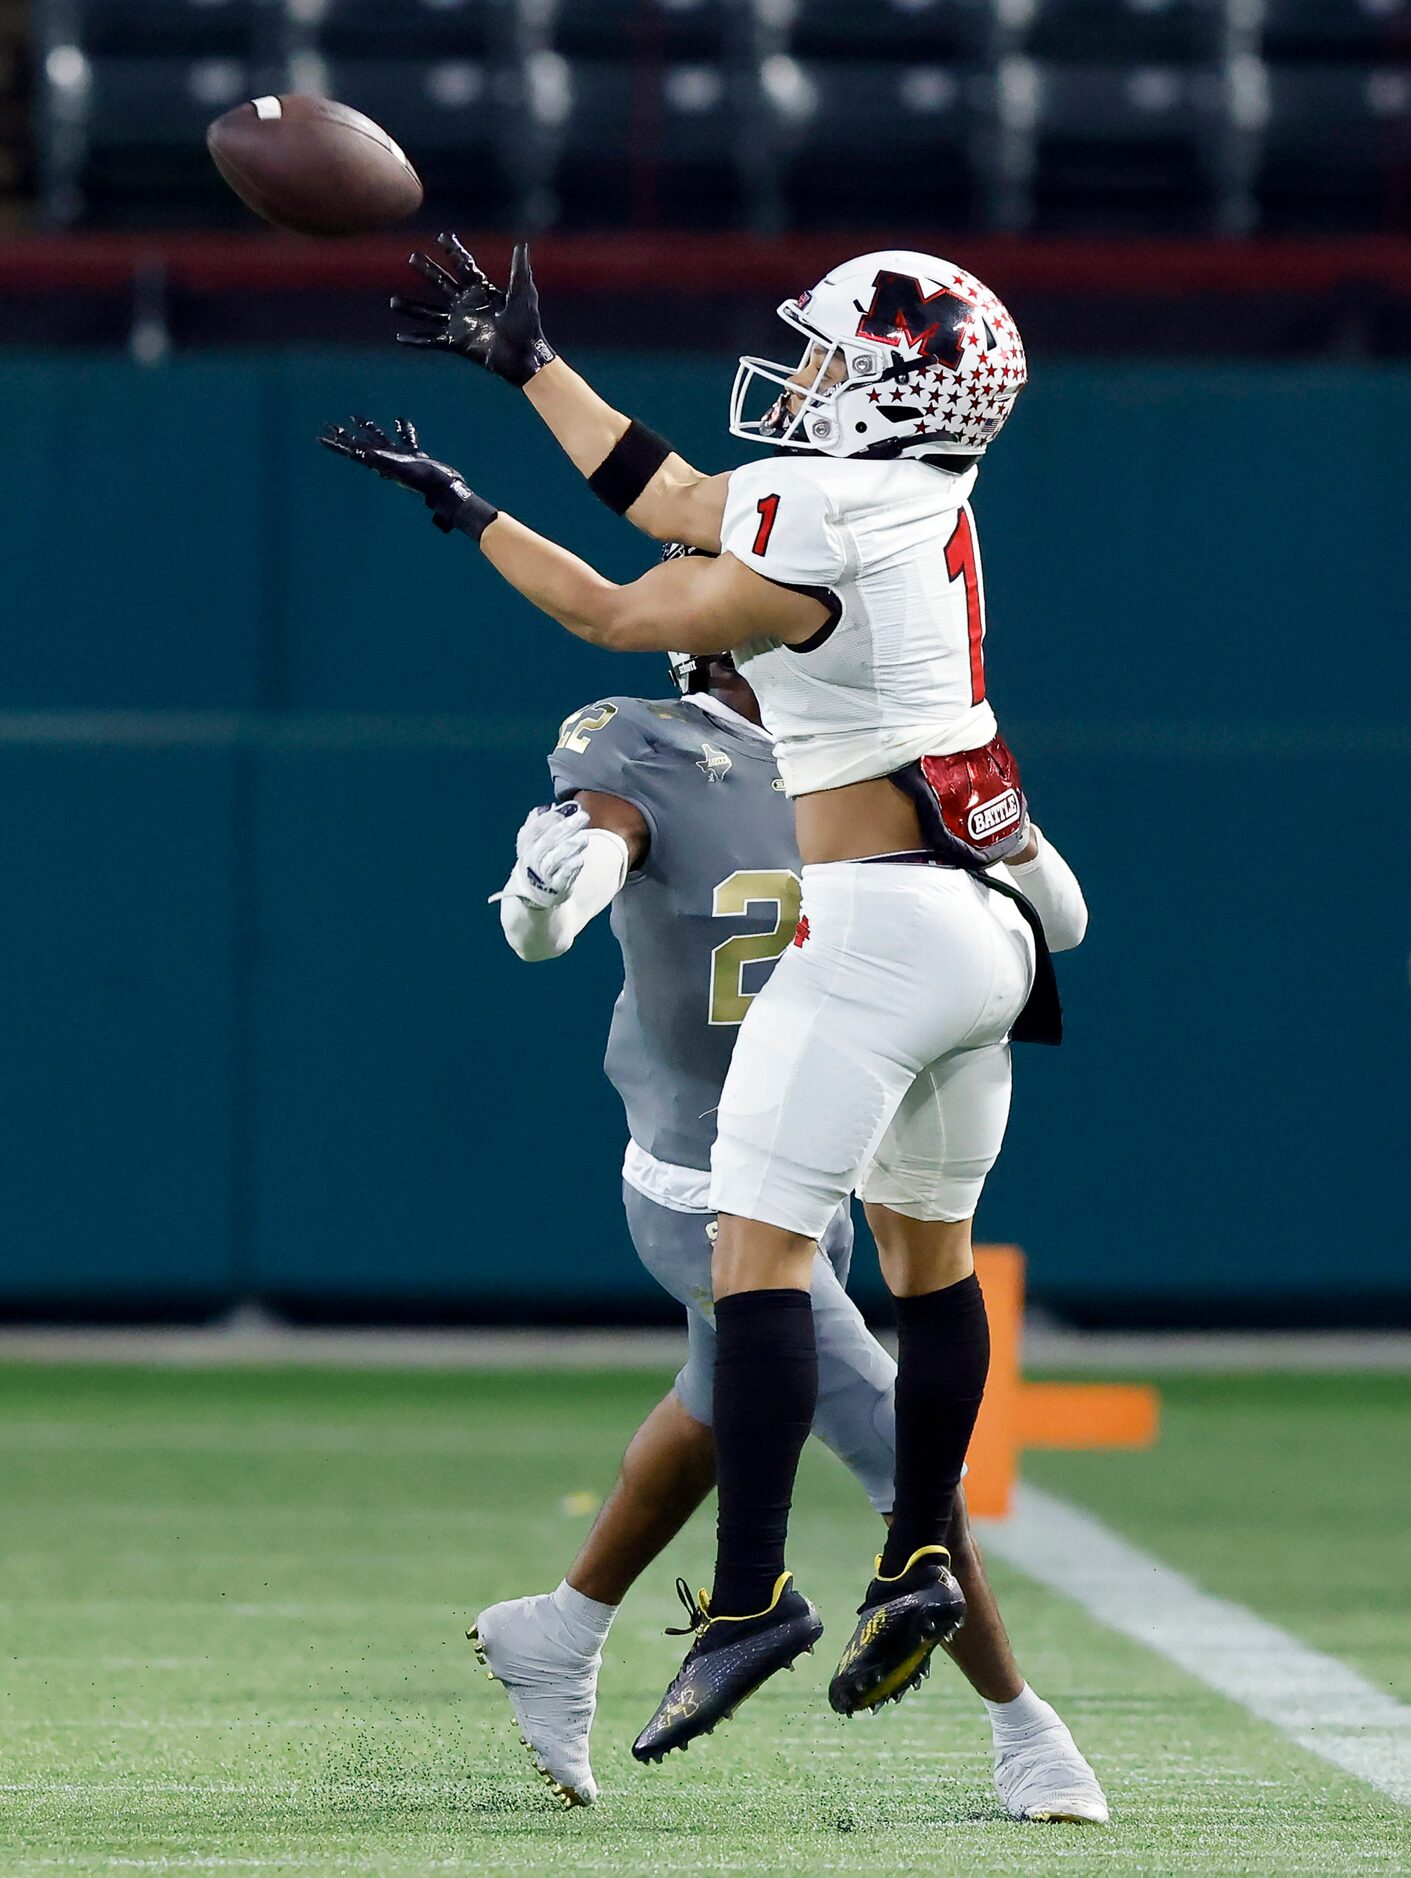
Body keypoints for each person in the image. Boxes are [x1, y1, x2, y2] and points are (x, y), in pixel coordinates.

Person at [323, 237, 1072, 1763]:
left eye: (827, 357)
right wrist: (528, 375)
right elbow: (679, 515)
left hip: (870, 932)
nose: (797, 378)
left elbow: (631, 576)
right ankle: (915, 1549)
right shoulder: (921, 502)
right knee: (927, 1271)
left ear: (885, 388)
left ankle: (749, 1600)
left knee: (759, 1266)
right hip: (986, 928)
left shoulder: (816, 520)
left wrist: (494, 451)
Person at [469, 629, 1105, 1822]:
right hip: (705, 1180)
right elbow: (585, 874)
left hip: (825, 1155)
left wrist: (1007, 831)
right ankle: (1027, 1731)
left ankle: (557, 1628)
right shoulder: (652, 746)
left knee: (721, 1404)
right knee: (881, 1430)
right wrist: (550, 899)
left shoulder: (888, 747)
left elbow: (1058, 915)